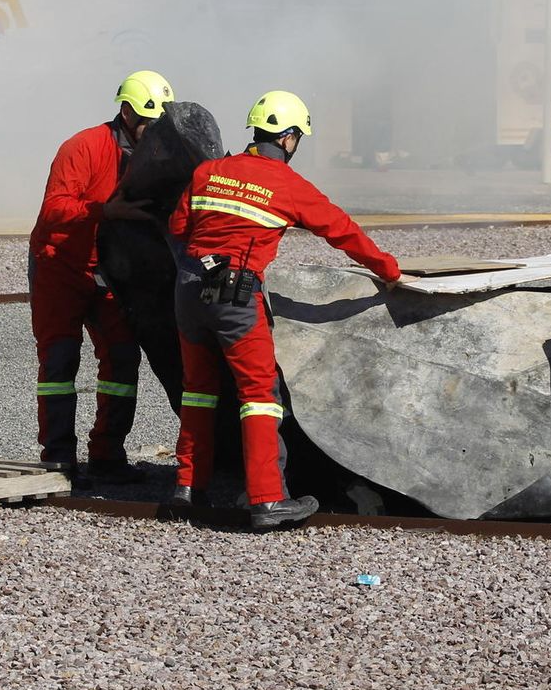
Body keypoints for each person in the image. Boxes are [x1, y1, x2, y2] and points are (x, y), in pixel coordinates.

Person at [168, 90, 408, 530]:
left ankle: (187, 487)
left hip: (188, 292)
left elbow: (179, 228)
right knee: (259, 395)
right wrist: (388, 270)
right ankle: (268, 499)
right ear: (291, 138)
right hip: (235, 296)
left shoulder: (209, 172)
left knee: (198, 390)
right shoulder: (286, 184)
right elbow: (343, 232)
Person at [28, 69, 173, 486]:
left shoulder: (158, 155)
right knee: (59, 360)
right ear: (126, 112)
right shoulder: (83, 147)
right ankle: (57, 458)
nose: (151, 132)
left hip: (110, 271)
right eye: (146, 122)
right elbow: (54, 210)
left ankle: (108, 455)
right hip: (60, 264)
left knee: (123, 358)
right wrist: (105, 211)